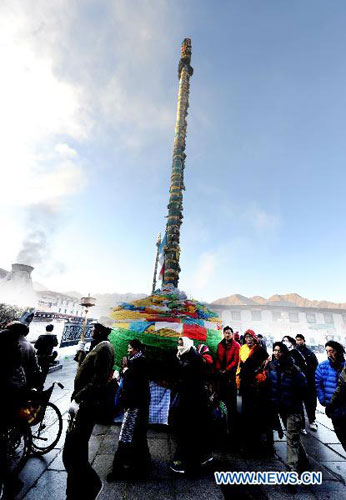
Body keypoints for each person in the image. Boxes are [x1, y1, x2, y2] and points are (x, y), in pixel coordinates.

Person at [63, 323, 115, 500]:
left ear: (101, 330)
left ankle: (90, 484)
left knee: (73, 450)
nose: (91, 331)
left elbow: (98, 380)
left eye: (94, 329)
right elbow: (84, 366)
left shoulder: (105, 349)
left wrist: (79, 398)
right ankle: (79, 487)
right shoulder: (97, 347)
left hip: (87, 405)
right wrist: (81, 351)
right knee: (75, 450)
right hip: (83, 403)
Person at [107, 339, 151, 481]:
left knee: (126, 435)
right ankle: (142, 463)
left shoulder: (139, 362)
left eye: (130, 348)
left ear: (137, 349)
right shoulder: (138, 360)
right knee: (138, 436)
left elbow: (134, 382)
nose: (128, 350)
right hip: (138, 404)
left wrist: (126, 369)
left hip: (135, 405)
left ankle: (119, 469)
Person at [169, 337, 213, 474]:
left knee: (189, 432)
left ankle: (183, 462)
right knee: (191, 432)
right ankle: (199, 458)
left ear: (187, 344)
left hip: (193, 401)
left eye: (181, 343)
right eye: (178, 343)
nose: (179, 345)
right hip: (188, 399)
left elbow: (191, 379)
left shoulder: (194, 358)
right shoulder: (183, 355)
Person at [267, 342, 308, 472]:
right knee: (292, 436)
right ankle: (303, 459)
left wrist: (294, 399)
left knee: (291, 439)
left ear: (284, 352)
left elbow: (303, 386)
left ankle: (292, 470)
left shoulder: (293, 368)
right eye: (274, 350)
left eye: (279, 351)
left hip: (293, 408)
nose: (276, 353)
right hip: (281, 407)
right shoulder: (271, 366)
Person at [237, 329, 269, 455]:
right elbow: (240, 364)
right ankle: (247, 443)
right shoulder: (242, 349)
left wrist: (259, 375)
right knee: (246, 413)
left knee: (255, 414)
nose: (248, 340)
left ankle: (257, 444)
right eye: (246, 337)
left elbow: (265, 364)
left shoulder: (259, 350)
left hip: (256, 386)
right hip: (245, 384)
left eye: (250, 337)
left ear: (254, 338)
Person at [315, 341, 346, 450]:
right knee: (341, 435)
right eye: (327, 351)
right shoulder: (323, 366)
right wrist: (323, 399)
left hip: (344, 405)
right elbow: (318, 384)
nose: (329, 354)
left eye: (331, 351)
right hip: (332, 406)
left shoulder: (344, 366)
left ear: (337, 351)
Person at [215, 326, 240, 438]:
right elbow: (217, 358)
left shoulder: (236, 346)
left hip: (230, 377)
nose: (227, 335)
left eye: (229, 333)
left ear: (232, 334)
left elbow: (235, 361)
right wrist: (219, 369)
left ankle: (232, 429)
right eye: (226, 333)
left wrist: (226, 370)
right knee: (220, 402)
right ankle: (221, 427)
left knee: (232, 405)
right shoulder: (220, 345)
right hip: (221, 377)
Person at [295, 334, 319, 431]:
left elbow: (315, 366)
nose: (298, 342)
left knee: (310, 403)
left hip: (309, 381)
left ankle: (312, 420)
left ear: (304, 340)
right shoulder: (294, 352)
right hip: (298, 382)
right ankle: (301, 425)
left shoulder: (309, 353)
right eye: (297, 340)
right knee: (299, 404)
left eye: (300, 340)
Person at [35, 324, 59, 388]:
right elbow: (56, 344)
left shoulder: (41, 336)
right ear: (52, 329)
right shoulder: (53, 337)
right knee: (45, 370)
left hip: (40, 355)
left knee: (38, 369)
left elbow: (36, 346)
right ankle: (41, 383)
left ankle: (37, 382)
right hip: (48, 356)